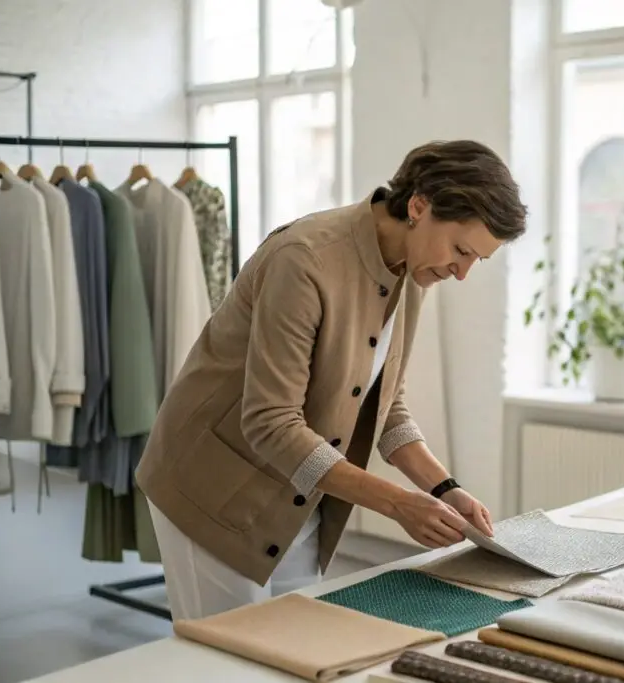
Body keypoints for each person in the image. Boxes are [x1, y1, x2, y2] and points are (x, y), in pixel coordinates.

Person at [135, 140, 528, 620]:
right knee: (229, 663)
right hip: (213, 488)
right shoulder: (305, 259)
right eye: (461, 250)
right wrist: (398, 504)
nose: (462, 272)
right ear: (419, 206)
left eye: (477, 261)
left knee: (293, 652)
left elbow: (386, 405)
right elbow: (270, 421)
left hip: (297, 494)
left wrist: (445, 489)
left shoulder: (412, 270)